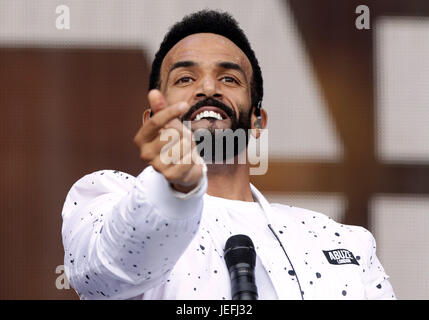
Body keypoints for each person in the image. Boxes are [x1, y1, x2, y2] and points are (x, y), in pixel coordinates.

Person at [61, 10, 396, 300]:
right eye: (186, 77)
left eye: (228, 78)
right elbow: (106, 273)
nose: (208, 88)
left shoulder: (345, 242)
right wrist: (175, 189)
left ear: (257, 120)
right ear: (153, 119)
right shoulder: (106, 199)